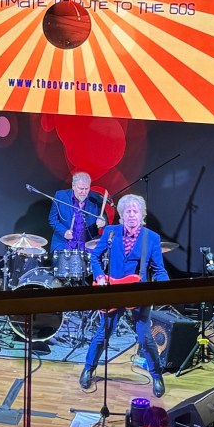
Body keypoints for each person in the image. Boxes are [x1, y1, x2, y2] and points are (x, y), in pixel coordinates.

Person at [79, 194, 169, 399]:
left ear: (141, 214)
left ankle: (157, 376)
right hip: (113, 291)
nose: (131, 215)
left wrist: (166, 287)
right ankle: (88, 369)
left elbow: (159, 269)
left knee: (145, 338)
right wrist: (99, 275)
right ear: (122, 214)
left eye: (135, 211)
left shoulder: (151, 238)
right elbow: (95, 256)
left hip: (138, 294)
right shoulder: (111, 232)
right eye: (128, 211)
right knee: (103, 333)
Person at [49, 171, 107, 253]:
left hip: (87, 245)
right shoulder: (60, 196)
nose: (84, 192)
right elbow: (52, 219)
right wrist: (64, 232)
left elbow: (104, 219)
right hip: (64, 243)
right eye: (81, 189)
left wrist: (103, 223)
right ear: (73, 186)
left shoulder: (96, 198)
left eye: (87, 189)